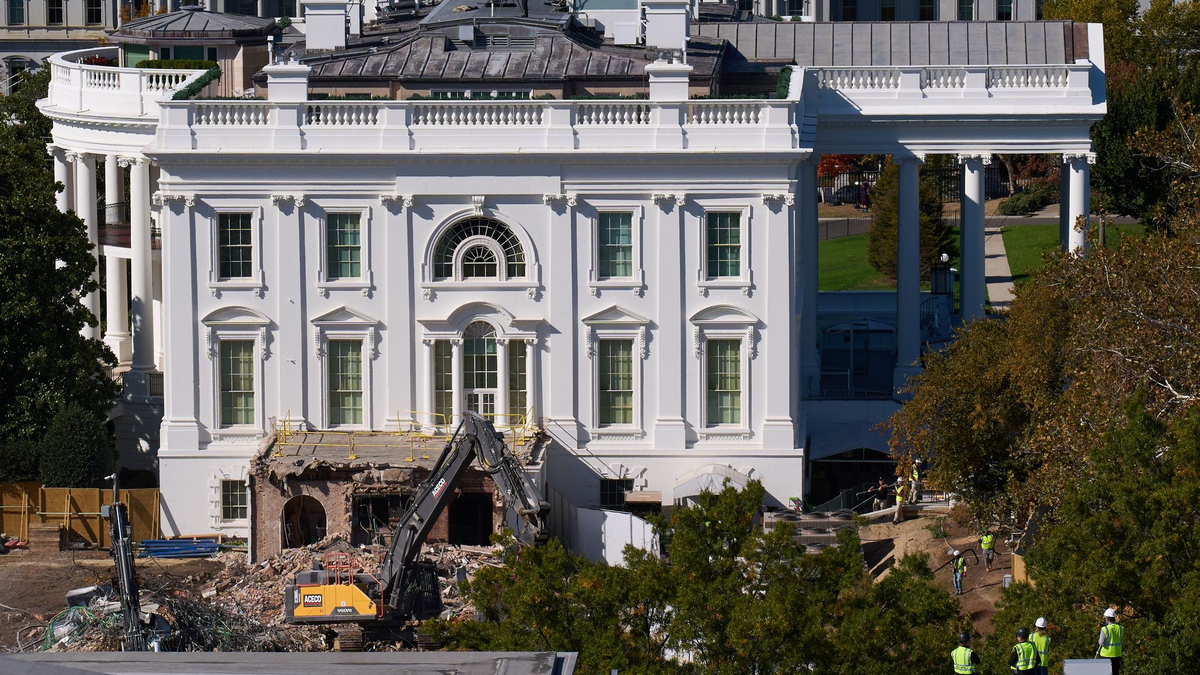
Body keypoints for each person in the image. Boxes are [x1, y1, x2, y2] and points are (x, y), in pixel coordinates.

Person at [1099, 608, 1123, 675]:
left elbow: (1101, 643)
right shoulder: (1120, 628)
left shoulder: (1104, 629)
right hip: (1117, 654)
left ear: (1107, 619)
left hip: (1106, 655)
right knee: (1115, 672)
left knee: (1105, 673)